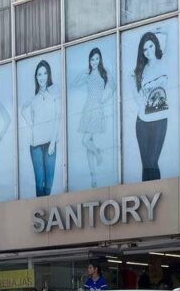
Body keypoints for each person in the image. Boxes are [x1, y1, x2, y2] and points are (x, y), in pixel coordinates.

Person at [70, 46, 114, 188]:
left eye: (96, 58)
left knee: (85, 140)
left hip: (97, 108)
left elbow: (113, 86)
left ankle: (98, 152)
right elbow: (74, 83)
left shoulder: (104, 72)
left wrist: (105, 100)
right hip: (87, 108)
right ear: (89, 60)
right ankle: (93, 178)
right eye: (92, 59)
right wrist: (84, 71)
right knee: (88, 145)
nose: (94, 61)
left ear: (100, 59)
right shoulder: (87, 73)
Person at [132, 31, 169, 181]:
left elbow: (168, 34)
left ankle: (157, 199)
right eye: (145, 49)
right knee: (146, 164)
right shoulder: (140, 71)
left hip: (160, 119)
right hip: (142, 120)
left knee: (152, 162)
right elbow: (138, 98)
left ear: (156, 45)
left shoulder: (164, 61)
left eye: (151, 46)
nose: (148, 51)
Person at [21, 59, 62, 197]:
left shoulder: (54, 93)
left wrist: (52, 142)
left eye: (45, 73)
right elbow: (23, 110)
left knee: (49, 183)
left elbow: (57, 118)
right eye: (39, 74)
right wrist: (31, 125)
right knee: (40, 183)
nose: (42, 77)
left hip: (50, 144)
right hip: (35, 145)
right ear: (36, 77)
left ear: (48, 75)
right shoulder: (34, 99)